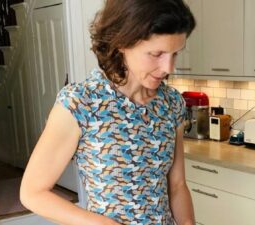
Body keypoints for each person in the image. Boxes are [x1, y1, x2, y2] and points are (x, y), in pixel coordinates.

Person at [20, 0, 196, 224]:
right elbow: (32, 193)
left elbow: (178, 186)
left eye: (175, 54)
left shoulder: (172, 103)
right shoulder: (81, 103)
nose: (168, 68)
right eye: (156, 53)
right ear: (122, 42)